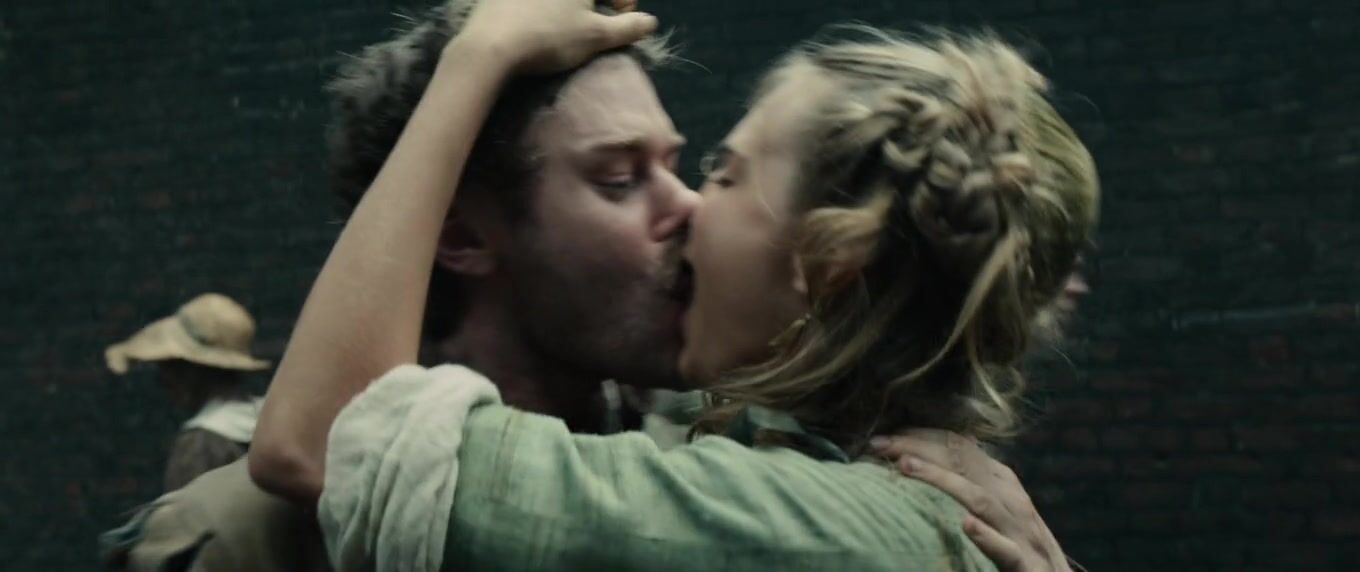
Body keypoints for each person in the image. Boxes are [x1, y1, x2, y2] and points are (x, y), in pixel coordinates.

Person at [250, 0, 1099, 570]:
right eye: (621, 179)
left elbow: (332, 440)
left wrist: (480, 57)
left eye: (723, 174)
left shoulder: (799, 521)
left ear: (827, 262)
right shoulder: (850, 475)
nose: (691, 205)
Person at [103, 292, 270, 491]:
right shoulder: (270, 424)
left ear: (190, 370)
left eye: (169, 366)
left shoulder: (200, 444)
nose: (163, 379)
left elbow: (187, 511)